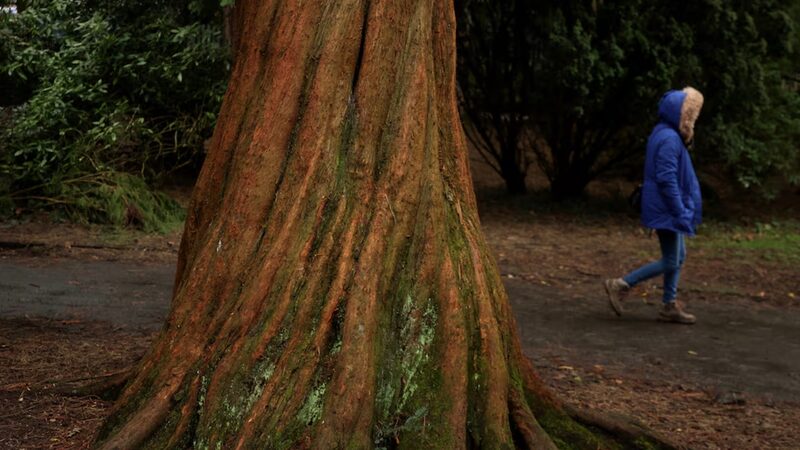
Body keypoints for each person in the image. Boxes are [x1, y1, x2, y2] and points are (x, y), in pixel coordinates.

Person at [604, 87, 704, 324]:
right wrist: (679, 210)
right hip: (667, 207)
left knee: (678, 255)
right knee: (671, 259)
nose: (692, 121)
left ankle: (669, 305)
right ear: (680, 115)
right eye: (690, 116)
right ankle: (620, 284)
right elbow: (666, 177)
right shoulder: (669, 139)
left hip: (667, 206)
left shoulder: (665, 133)